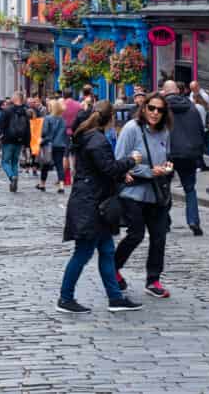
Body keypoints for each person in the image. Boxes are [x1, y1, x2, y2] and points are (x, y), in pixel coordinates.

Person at [57, 101, 144, 314]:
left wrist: (120, 172)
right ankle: (65, 298)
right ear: (110, 118)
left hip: (94, 202)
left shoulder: (90, 136)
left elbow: (100, 169)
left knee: (106, 251)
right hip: (91, 204)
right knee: (83, 253)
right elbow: (108, 168)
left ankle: (115, 297)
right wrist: (131, 161)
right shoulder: (97, 140)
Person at [114, 92, 174, 299]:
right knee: (136, 234)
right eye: (151, 108)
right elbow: (120, 161)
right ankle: (112, 269)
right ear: (144, 108)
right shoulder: (132, 129)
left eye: (160, 110)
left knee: (159, 237)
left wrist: (166, 167)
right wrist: (148, 171)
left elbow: (165, 157)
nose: (155, 113)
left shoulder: (164, 132)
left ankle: (153, 280)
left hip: (157, 193)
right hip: (134, 193)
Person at [163, 81, 205, 236]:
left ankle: (165, 222)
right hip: (189, 155)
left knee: (164, 187)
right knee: (189, 189)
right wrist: (198, 153)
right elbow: (200, 130)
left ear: (165, 92)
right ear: (178, 91)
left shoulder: (161, 108)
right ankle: (193, 220)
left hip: (168, 156)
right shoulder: (192, 107)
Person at [0, 92, 30, 192]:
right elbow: (28, 128)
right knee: (15, 162)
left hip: (8, 139)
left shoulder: (7, 110)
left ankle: (12, 177)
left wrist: (0, 136)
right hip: (19, 140)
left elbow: (1, 124)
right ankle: (14, 180)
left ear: (16, 98)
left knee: (5, 162)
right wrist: (27, 142)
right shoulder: (26, 111)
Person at [38, 99, 67, 192]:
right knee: (59, 166)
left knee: (45, 165)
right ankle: (61, 185)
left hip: (49, 144)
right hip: (60, 144)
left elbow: (45, 132)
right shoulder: (62, 119)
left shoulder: (48, 118)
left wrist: (42, 139)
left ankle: (42, 184)